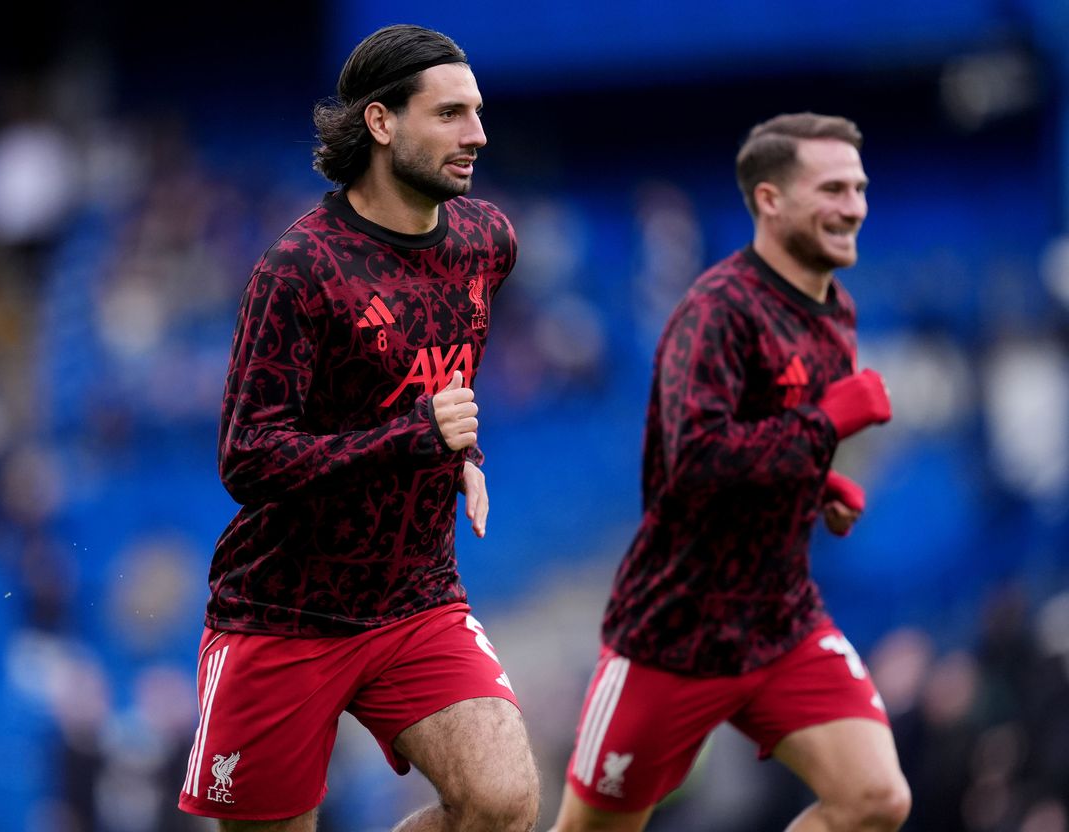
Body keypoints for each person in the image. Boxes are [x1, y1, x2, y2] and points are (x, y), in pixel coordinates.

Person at [177, 24, 538, 832]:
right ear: (381, 123)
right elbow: (248, 456)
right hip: (282, 614)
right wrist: (420, 437)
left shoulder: (487, 242)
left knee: (502, 802)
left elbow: (436, 369)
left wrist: (465, 451)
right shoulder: (298, 270)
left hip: (416, 599)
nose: (477, 134)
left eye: (476, 112)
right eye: (449, 114)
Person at [551, 113, 912, 832]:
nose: (855, 207)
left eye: (860, 188)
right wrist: (828, 425)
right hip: (675, 632)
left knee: (876, 799)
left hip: (781, 621)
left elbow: (768, 448)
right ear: (771, 200)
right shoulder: (715, 312)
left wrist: (820, 484)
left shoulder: (834, 312)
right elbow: (696, 465)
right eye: (833, 188)